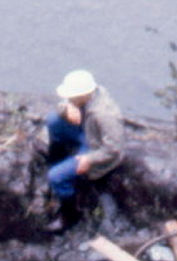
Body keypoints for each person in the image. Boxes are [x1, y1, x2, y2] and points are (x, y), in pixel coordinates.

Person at [43, 68, 124, 231]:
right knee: (53, 120)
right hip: (88, 133)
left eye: (72, 96)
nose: (68, 98)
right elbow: (63, 105)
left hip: (96, 150)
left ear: (83, 95)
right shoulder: (86, 98)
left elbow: (114, 148)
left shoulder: (104, 114)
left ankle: (70, 214)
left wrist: (89, 159)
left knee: (55, 177)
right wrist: (66, 110)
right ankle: (59, 159)